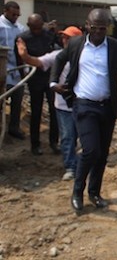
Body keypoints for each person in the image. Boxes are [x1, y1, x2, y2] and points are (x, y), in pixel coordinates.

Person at [50, 8, 117, 212]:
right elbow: (59, 59)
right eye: (94, 28)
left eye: (102, 28)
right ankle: (77, 191)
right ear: (87, 25)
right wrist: (54, 82)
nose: (98, 32)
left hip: (107, 107)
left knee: (102, 154)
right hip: (84, 105)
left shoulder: (116, 47)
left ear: (108, 28)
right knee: (91, 150)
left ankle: (94, 192)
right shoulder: (76, 44)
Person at [17, 26, 83, 180]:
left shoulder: (87, 56)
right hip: (63, 104)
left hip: (83, 104)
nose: (65, 40)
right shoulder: (58, 55)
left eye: (69, 37)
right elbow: (38, 62)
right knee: (67, 136)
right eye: (64, 37)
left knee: (81, 137)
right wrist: (24, 55)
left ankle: (81, 163)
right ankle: (70, 167)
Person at [17, 13, 59, 155]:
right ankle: (35, 144)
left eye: (40, 27)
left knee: (54, 109)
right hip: (35, 78)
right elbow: (19, 59)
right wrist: (24, 77)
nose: (38, 30)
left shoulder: (49, 35)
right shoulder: (23, 38)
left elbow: (57, 52)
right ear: (29, 26)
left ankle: (54, 142)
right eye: (35, 28)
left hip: (50, 76)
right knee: (36, 111)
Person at [0, 1, 27, 140]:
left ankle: (14, 128)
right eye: (13, 14)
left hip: (16, 72)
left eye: (18, 15)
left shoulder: (20, 29)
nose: (16, 17)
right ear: (5, 11)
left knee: (17, 101)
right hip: (1, 70)